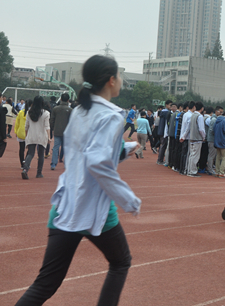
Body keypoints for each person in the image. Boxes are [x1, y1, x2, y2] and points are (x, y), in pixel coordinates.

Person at [15, 55, 141, 306]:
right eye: (121, 76)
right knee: (120, 262)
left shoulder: (81, 110)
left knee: (45, 284)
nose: (121, 81)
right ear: (111, 80)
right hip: (95, 210)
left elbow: (88, 153)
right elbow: (96, 161)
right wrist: (128, 198)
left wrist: (124, 148)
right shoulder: (112, 115)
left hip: (65, 206)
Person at [21, 96, 51, 179]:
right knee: (41, 154)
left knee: (30, 153)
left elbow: (26, 126)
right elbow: (47, 126)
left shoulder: (29, 112)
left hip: (31, 135)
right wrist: (49, 137)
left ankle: (25, 169)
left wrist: (27, 136)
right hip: (42, 135)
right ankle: (39, 173)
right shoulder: (46, 113)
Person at [50, 93, 72, 170]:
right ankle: (66, 164)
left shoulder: (55, 109)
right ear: (68, 100)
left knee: (56, 147)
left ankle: (53, 164)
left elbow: (52, 120)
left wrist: (53, 128)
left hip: (57, 131)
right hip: (67, 132)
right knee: (66, 148)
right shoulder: (70, 110)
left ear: (61, 99)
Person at [184, 101, 205, 177]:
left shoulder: (192, 115)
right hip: (197, 138)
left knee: (191, 155)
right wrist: (203, 137)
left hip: (191, 137)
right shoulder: (199, 116)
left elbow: (188, 127)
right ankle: (192, 171)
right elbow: (201, 129)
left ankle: (189, 170)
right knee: (195, 156)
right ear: (202, 108)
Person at [214, 112, 225, 178]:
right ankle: (221, 172)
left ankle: (217, 171)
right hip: (223, 141)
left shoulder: (217, 120)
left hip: (217, 140)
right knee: (224, 157)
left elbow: (213, 129)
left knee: (218, 157)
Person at [15, 100, 32, 168]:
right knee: (30, 150)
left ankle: (22, 164)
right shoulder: (31, 113)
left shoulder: (21, 112)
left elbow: (17, 123)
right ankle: (26, 162)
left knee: (21, 149)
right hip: (29, 133)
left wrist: (16, 131)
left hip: (21, 132)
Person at [206, 106, 222, 175]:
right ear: (216, 111)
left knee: (212, 155)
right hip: (212, 140)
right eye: (220, 112)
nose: (221, 113)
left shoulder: (215, 119)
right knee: (211, 155)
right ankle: (210, 169)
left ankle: (210, 168)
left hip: (213, 139)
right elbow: (212, 130)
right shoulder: (214, 120)